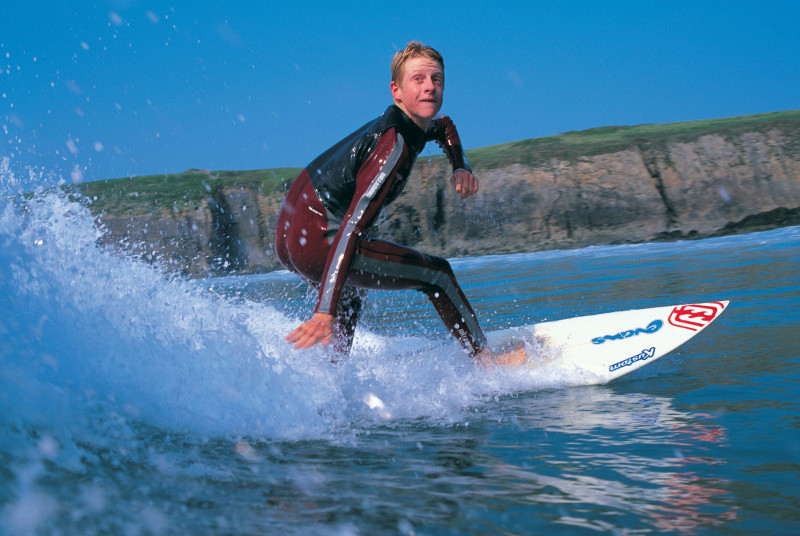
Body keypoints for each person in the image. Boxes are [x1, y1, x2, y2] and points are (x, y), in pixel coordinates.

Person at [275, 41, 524, 366]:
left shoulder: (412, 125)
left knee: (350, 292)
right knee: (438, 275)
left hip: (290, 235)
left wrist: (460, 166)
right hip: (319, 241)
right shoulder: (393, 146)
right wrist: (324, 311)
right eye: (418, 79)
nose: (429, 87)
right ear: (397, 90)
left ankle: (330, 378)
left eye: (437, 80)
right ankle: (486, 361)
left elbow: (445, 126)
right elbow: (351, 227)